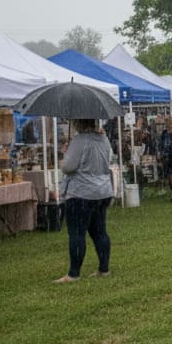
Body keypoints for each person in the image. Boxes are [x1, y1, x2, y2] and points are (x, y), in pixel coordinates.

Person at [54, 119, 114, 283]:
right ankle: (104, 268)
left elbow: (68, 167)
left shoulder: (79, 140)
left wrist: (66, 156)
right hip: (102, 190)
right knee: (99, 232)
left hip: (81, 192)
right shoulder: (104, 139)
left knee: (77, 233)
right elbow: (109, 158)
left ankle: (74, 273)